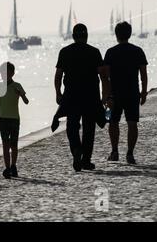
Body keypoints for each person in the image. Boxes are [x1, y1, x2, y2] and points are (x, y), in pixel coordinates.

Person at [54, 24, 110, 172]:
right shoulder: (94, 52)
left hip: (71, 96)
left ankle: (76, 150)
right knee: (89, 129)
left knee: (72, 127)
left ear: (73, 36)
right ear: (86, 36)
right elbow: (103, 76)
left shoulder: (65, 52)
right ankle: (86, 160)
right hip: (90, 96)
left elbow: (58, 75)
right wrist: (105, 97)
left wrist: (58, 93)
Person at [104, 21, 148, 165]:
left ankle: (115, 151)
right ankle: (129, 153)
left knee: (113, 122)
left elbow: (105, 77)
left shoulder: (110, 52)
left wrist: (106, 95)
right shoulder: (138, 51)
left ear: (116, 35)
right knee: (132, 123)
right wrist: (144, 92)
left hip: (115, 94)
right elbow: (143, 74)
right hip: (132, 93)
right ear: (129, 34)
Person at [0, 62, 29, 179]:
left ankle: (13, 166)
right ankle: (7, 168)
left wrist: (21, 95)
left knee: (13, 145)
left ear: (12, 73)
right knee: (5, 145)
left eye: (7, 72)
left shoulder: (17, 85)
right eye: (3, 72)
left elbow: (26, 101)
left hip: (14, 119)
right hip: (3, 118)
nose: (5, 74)